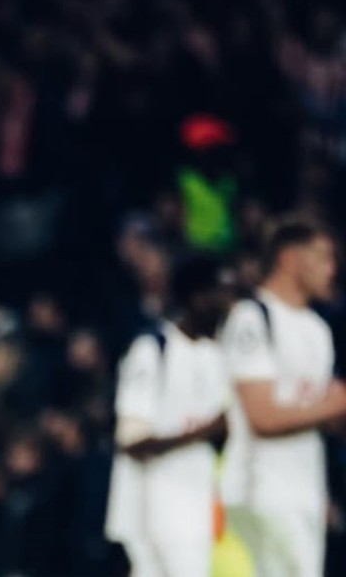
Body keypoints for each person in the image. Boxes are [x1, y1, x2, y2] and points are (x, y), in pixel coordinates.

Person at [219, 216, 346, 577]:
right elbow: (262, 416)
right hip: (261, 490)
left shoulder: (317, 329)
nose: (331, 269)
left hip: (303, 490)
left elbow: (323, 414)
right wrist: (333, 404)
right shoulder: (252, 318)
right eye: (322, 257)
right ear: (289, 258)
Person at [104, 254, 232, 577]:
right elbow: (132, 442)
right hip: (155, 501)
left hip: (199, 495)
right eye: (221, 292)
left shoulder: (217, 355)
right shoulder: (153, 349)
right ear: (198, 296)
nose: (228, 304)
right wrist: (208, 430)